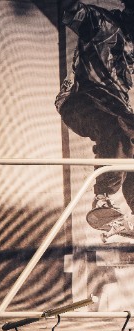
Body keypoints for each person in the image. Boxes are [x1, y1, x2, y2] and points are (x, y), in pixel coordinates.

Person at [48, 0, 134, 239]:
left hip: (115, 106)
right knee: (117, 128)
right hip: (80, 99)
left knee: (129, 137)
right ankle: (103, 198)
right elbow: (71, 8)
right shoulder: (102, 23)